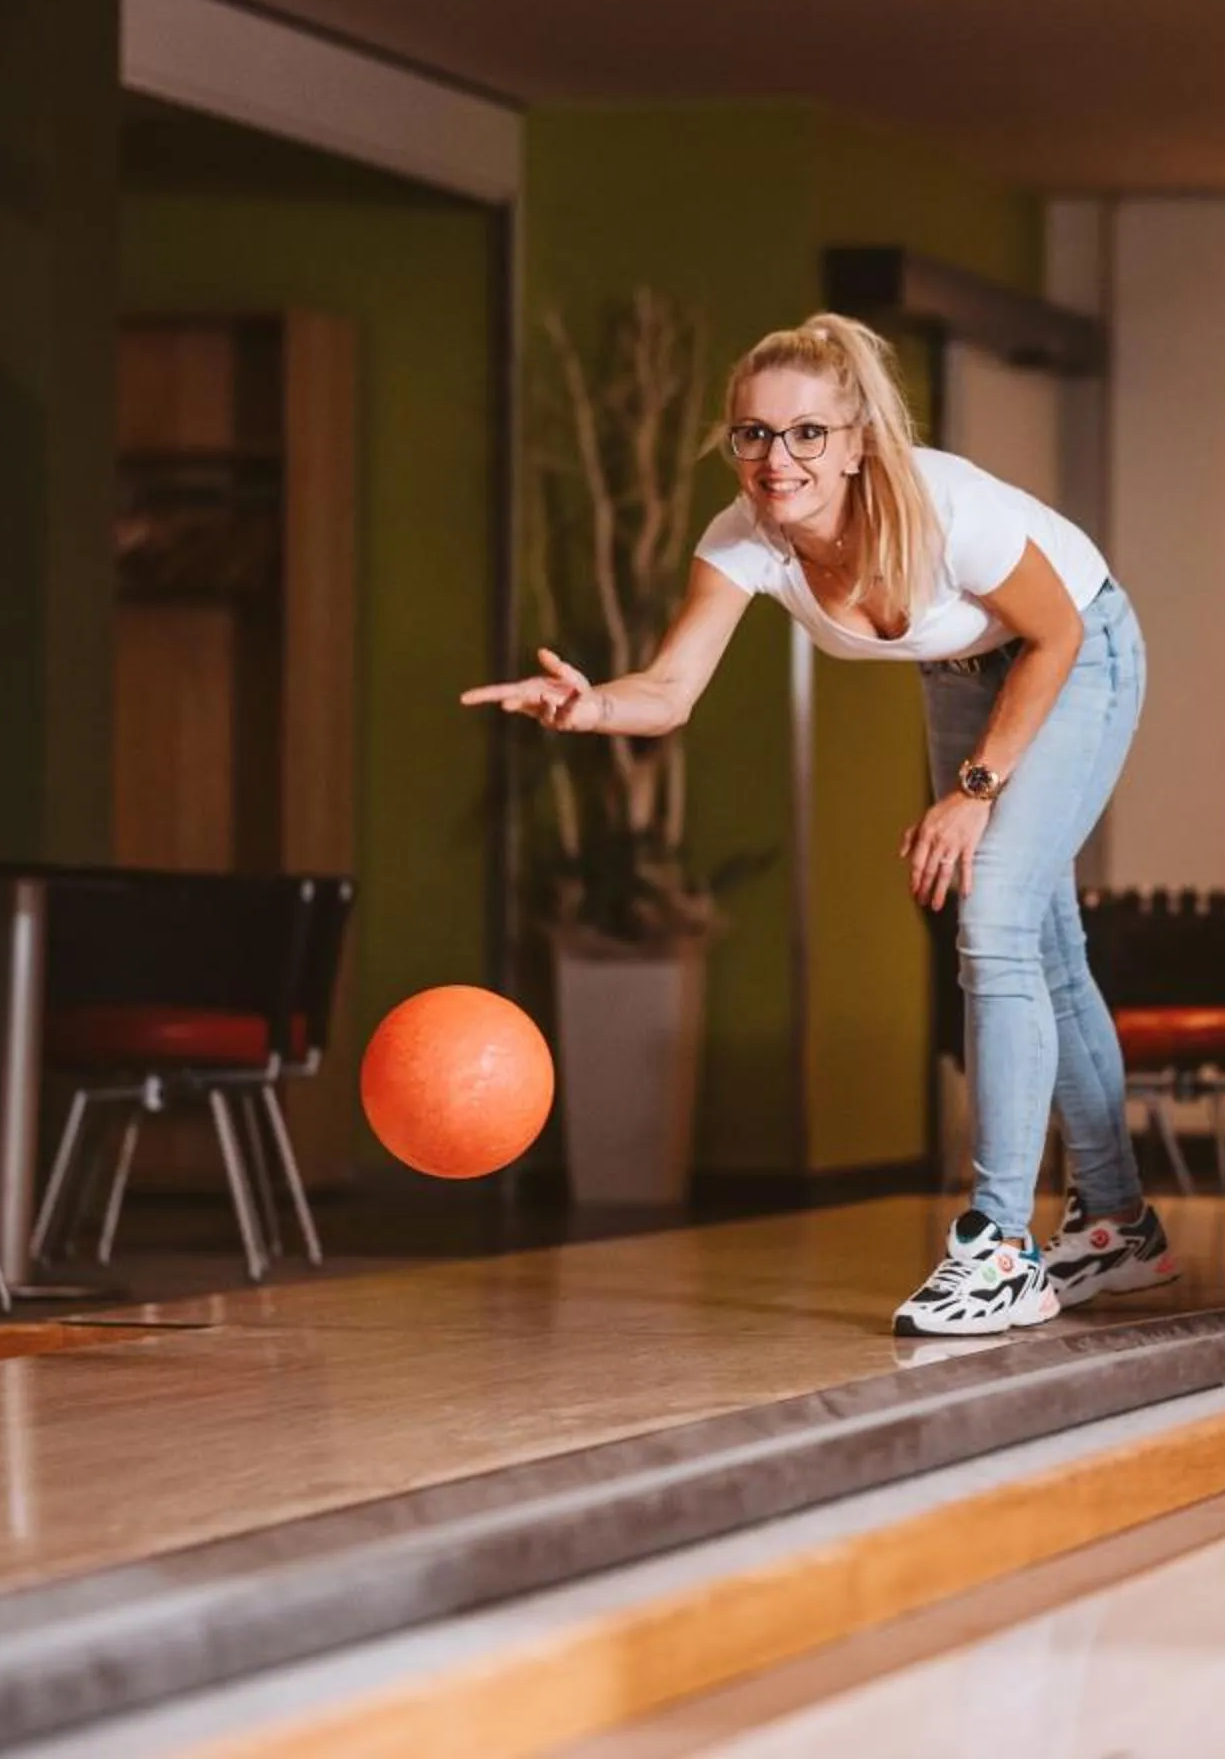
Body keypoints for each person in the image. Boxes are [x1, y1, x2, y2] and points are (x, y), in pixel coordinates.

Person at [465, 313, 1169, 1336]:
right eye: (753, 434)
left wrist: (973, 792)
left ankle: (1001, 1248)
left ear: (854, 442)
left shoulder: (940, 506)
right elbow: (669, 687)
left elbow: (1055, 631)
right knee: (1041, 948)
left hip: (1079, 647)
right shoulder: (744, 539)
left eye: (804, 434)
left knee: (996, 924)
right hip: (962, 675)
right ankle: (1118, 1225)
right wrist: (589, 707)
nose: (776, 457)